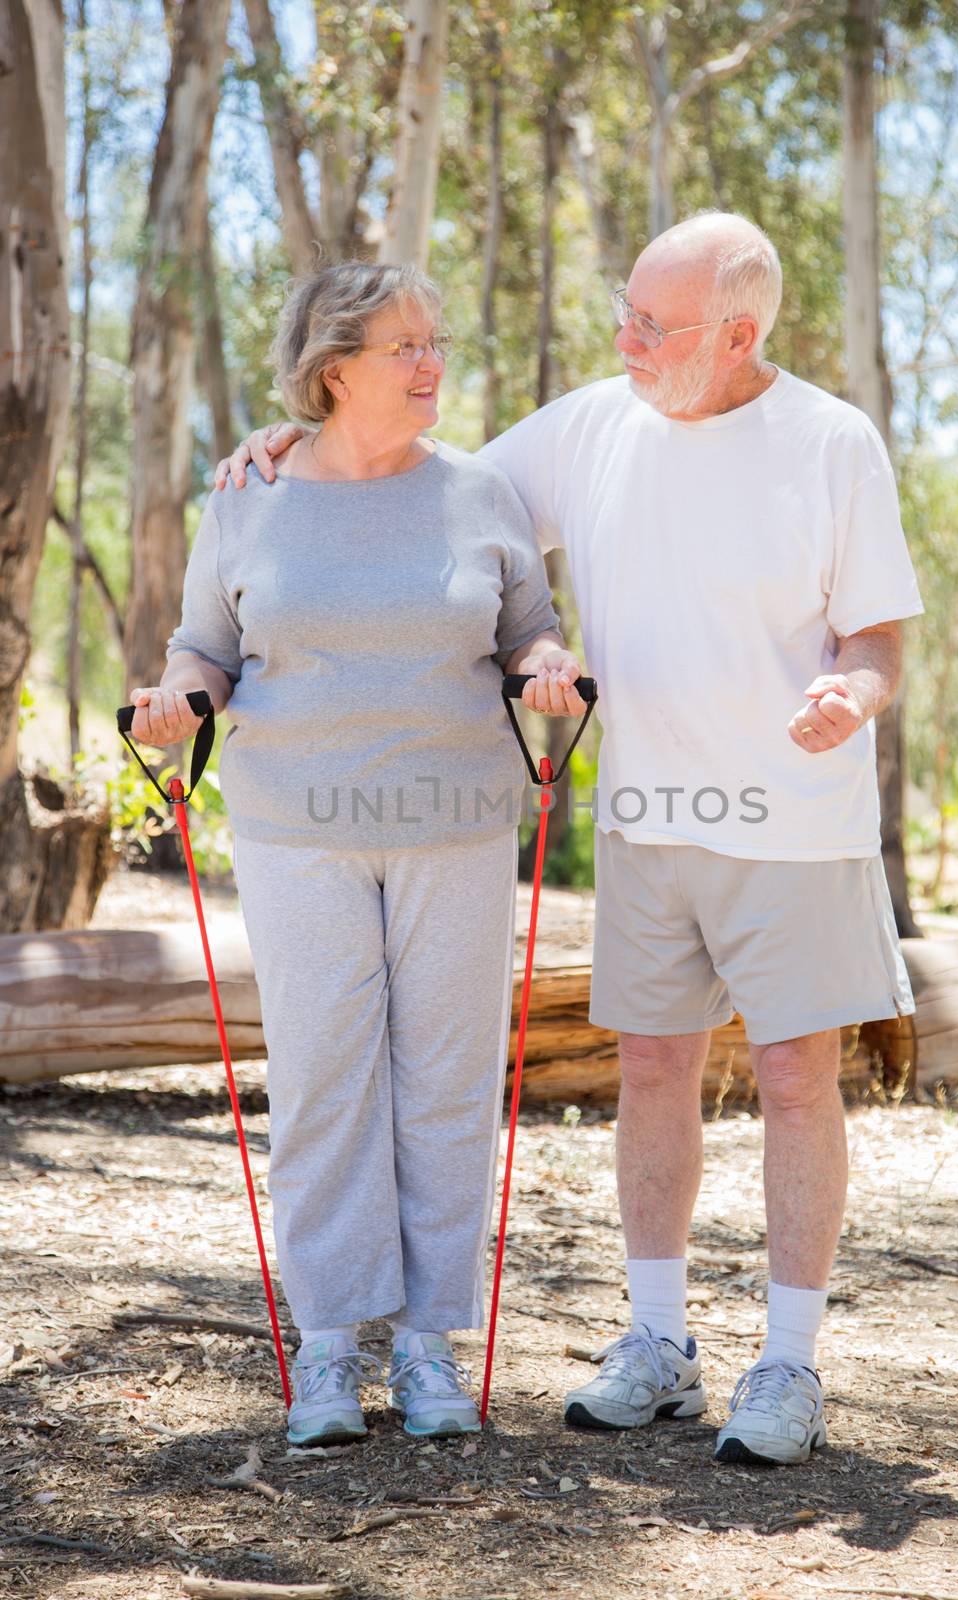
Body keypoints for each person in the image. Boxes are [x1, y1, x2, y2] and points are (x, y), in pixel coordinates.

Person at [217, 210, 924, 1466]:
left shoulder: (829, 440)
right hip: (646, 818)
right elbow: (412, 488)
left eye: (652, 325)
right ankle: (656, 1344)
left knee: (795, 1081)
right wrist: (291, 437)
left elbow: (876, 641)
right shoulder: (595, 422)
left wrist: (849, 698)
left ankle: (788, 1362)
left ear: (736, 333)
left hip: (795, 827)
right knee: (651, 1072)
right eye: (625, 310)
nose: (624, 338)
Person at [130, 259, 585, 1448]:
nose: (432, 363)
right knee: (328, 1078)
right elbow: (203, 646)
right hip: (296, 831)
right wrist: (178, 696)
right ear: (335, 371)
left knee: (443, 1080)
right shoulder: (249, 496)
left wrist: (542, 669)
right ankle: (329, 1344)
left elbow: (528, 629)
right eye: (405, 347)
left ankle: (430, 1341)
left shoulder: (480, 493)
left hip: (456, 826)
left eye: (436, 340)